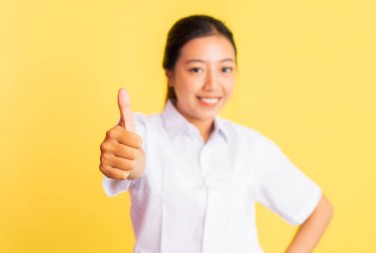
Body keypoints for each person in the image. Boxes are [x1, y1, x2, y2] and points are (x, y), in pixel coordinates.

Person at [99, 14, 333, 253]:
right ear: (169, 73)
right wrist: (126, 157)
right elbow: (135, 160)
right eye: (197, 69)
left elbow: (318, 209)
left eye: (225, 68)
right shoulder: (145, 134)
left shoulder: (249, 146)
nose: (212, 84)